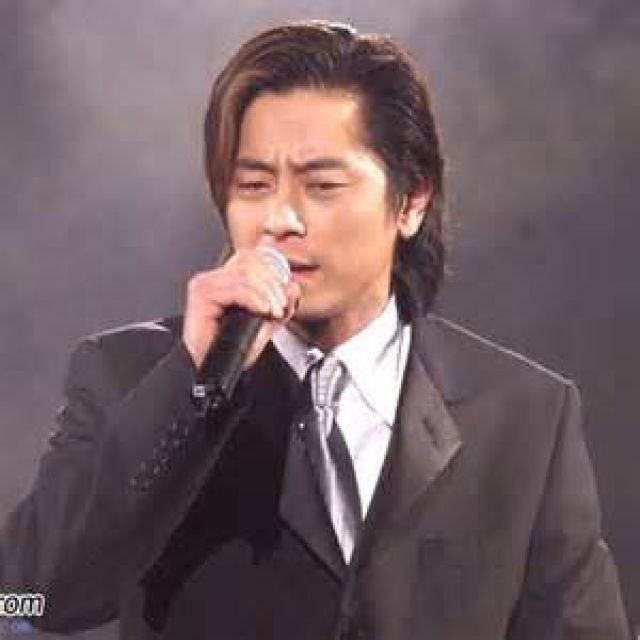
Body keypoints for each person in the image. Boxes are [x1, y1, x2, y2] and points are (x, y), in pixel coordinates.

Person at [0, 20, 630, 640]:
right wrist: (191, 386)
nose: (280, 218)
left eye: (322, 185)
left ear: (411, 200)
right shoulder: (131, 375)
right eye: (253, 184)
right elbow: (27, 596)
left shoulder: (524, 415)